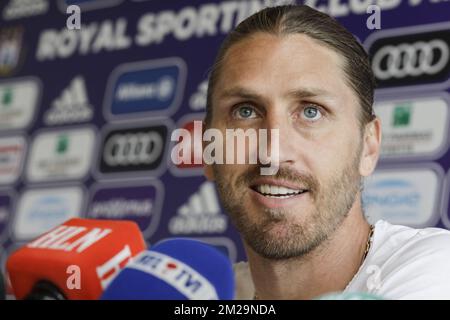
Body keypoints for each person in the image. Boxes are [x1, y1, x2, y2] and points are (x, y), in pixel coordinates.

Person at [202, 4, 450, 300]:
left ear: (368, 147)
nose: (272, 154)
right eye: (245, 111)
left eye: (310, 111)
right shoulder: (206, 294)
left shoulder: (434, 271)